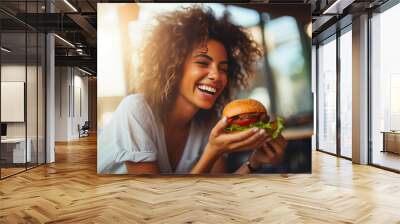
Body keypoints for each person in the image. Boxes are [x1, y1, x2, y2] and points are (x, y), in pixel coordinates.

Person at [98, 5, 287, 175]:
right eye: (203, 63)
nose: (216, 75)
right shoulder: (136, 110)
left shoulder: (209, 123)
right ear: (174, 67)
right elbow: (154, 200)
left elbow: (217, 195)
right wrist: (212, 151)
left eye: (223, 68)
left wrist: (254, 163)